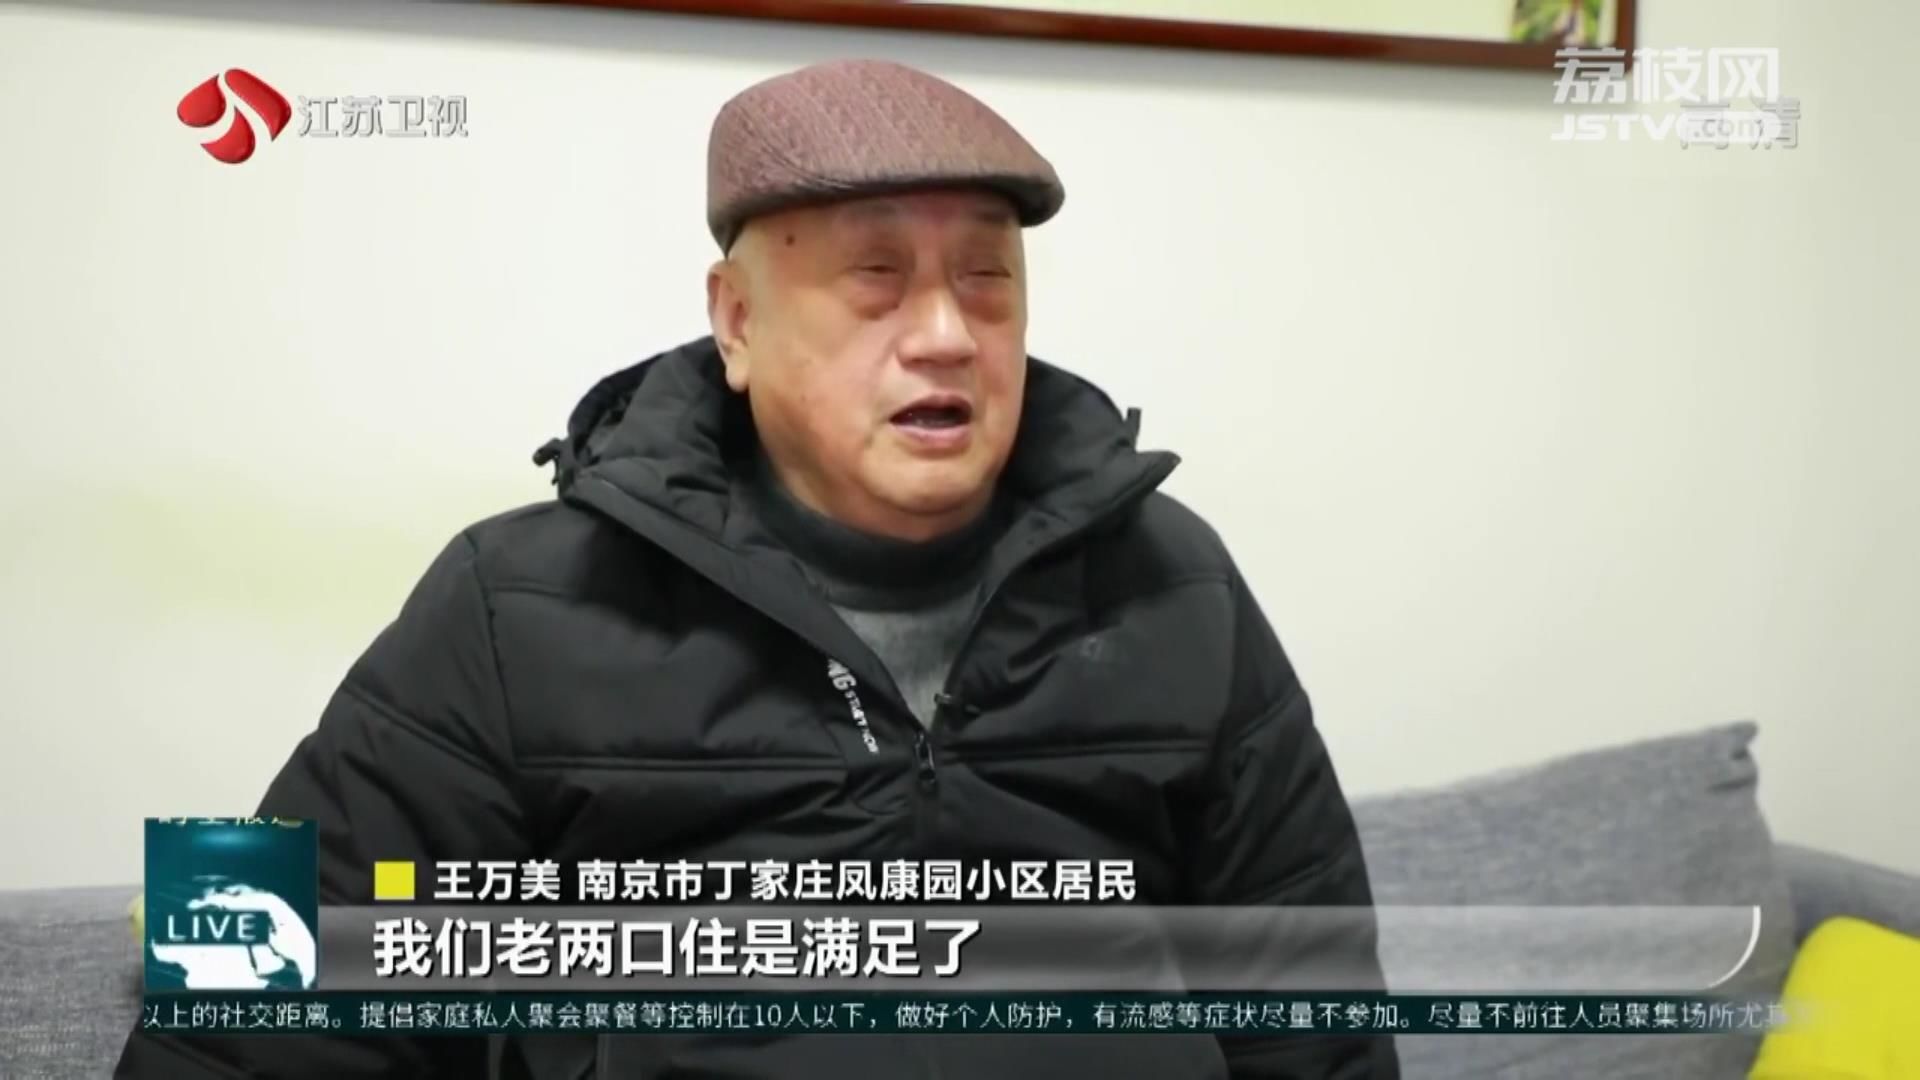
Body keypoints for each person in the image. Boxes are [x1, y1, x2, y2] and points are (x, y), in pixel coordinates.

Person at [116, 58, 1398, 1078]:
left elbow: (1319, 1021)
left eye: (987, 281)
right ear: (735, 320)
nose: (946, 335)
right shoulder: (515, 603)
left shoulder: (1172, 579)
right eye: (876, 280)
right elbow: (237, 1012)